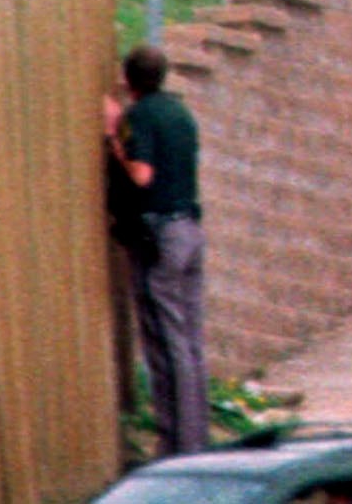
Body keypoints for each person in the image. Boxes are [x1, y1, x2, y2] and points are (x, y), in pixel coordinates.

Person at [107, 43, 208, 454]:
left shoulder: (141, 116)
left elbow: (142, 175)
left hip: (160, 238)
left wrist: (115, 140)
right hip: (190, 231)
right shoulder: (181, 113)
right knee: (190, 340)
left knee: (167, 343)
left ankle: (180, 448)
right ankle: (197, 438)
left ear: (128, 80)